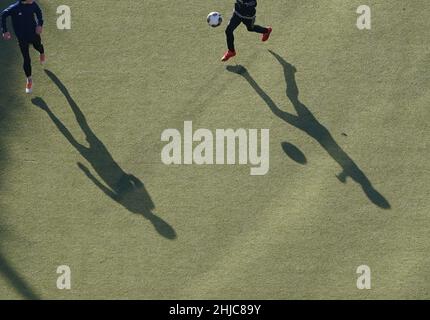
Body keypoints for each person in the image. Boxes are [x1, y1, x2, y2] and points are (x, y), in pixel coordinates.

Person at [1, 0, 46, 94]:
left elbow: (39, 12)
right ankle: (29, 80)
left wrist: (40, 24)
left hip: (34, 35)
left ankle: (42, 53)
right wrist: (4, 30)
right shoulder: (14, 8)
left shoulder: (33, 4)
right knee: (26, 58)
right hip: (22, 39)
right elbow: (3, 15)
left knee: (39, 47)